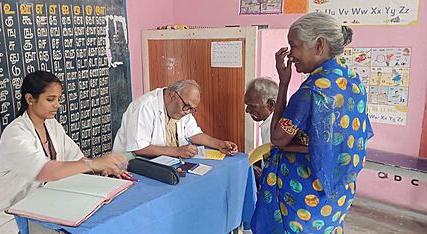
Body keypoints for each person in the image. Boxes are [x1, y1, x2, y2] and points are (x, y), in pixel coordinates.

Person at [252, 13, 373, 234]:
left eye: (294, 45)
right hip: (337, 190)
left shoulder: (312, 91)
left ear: (319, 45)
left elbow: (278, 138)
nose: (290, 54)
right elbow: (349, 138)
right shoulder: (354, 82)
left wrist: (284, 83)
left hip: (302, 192)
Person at [0, 71, 130, 233]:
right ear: (30, 99)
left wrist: (103, 167)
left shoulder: (52, 126)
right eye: (50, 99)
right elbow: (46, 171)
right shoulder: (16, 135)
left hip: (44, 207)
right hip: (10, 218)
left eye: (58, 99)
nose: (56, 105)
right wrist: (94, 163)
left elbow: (76, 159)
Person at [112, 79, 238, 159]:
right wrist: (178, 151)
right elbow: (139, 148)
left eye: (192, 109)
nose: (188, 112)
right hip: (130, 164)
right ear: (172, 95)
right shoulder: (144, 106)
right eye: (187, 106)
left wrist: (219, 144)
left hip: (165, 161)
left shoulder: (182, 107)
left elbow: (193, 133)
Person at [244, 77, 278, 145]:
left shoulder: (277, 129)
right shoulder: (269, 123)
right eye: (247, 105)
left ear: (271, 104)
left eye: (253, 106)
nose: (247, 110)